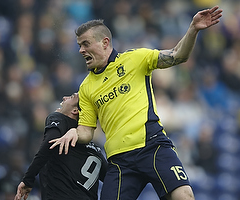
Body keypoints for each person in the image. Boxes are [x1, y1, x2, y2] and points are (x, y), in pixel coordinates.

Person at [49, 6, 223, 200]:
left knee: (184, 196)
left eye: (85, 44)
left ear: (105, 42)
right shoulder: (86, 87)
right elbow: (87, 130)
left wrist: (193, 29)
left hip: (153, 146)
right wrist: (74, 131)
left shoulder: (135, 58)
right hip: (120, 161)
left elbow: (177, 55)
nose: (81, 50)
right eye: (80, 45)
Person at [14, 93, 107, 200]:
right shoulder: (96, 151)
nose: (64, 97)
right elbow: (112, 178)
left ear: (75, 111)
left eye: (71, 97)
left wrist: (28, 180)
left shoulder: (60, 119)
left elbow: (49, 143)